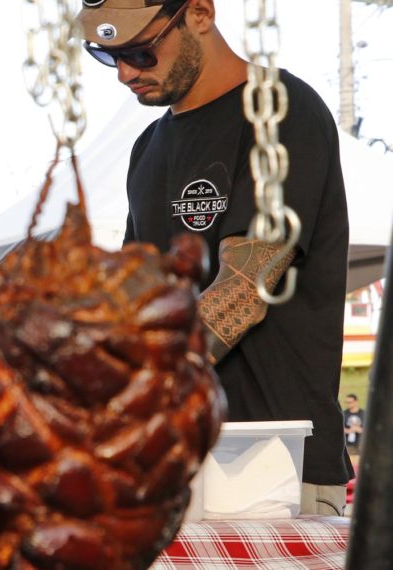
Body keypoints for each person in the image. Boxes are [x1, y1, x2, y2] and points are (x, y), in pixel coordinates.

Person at [78, 0, 353, 515]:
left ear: (200, 14)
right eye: (105, 55)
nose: (124, 73)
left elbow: (246, 290)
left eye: (141, 51)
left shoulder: (281, 110)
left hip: (277, 460)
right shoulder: (148, 148)